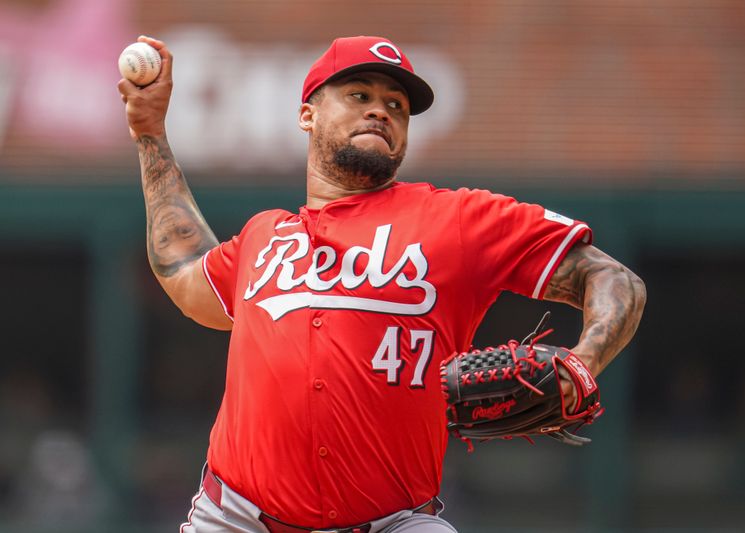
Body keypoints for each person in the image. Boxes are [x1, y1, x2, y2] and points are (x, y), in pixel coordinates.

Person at [119, 34, 646, 533]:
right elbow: (184, 266)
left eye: (397, 105)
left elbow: (612, 277)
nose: (381, 110)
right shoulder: (265, 237)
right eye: (359, 94)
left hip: (394, 521)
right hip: (237, 517)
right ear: (308, 114)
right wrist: (150, 135)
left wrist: (584, 362)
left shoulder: (459, 219)